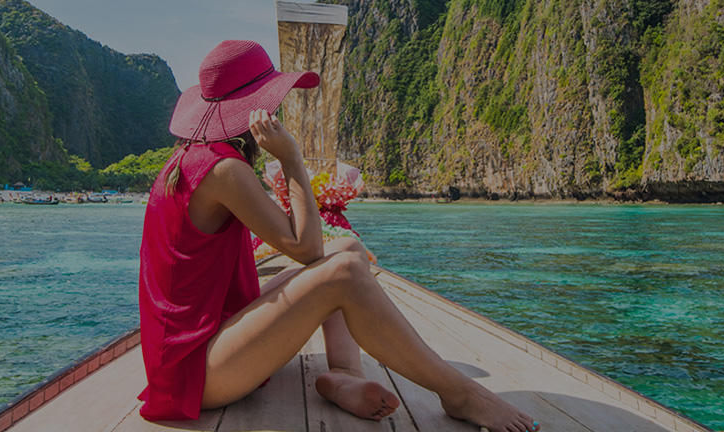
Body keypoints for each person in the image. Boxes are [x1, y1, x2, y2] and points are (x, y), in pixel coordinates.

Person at [136, 40, 539, 432]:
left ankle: (344, 373)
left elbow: (307, 248)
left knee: (347, 248)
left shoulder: (197, 158)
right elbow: (307, 248)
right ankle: (459, 393)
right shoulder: (222, 170)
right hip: (194, 374)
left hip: (207, 347)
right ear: (255, 106)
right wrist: (290, 158)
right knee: (343, 270)